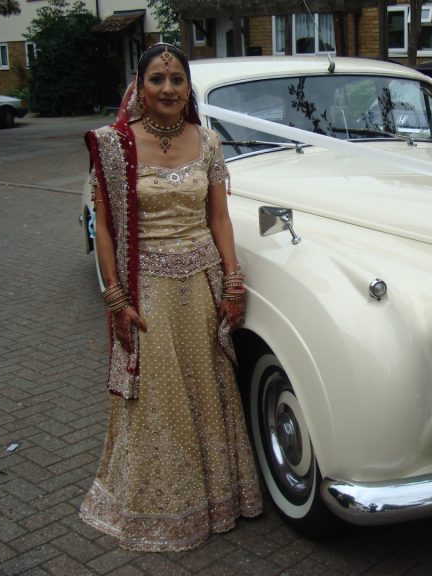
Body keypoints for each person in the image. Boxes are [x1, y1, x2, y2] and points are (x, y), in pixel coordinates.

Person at [79, 42, 262, 552]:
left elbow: (219, 218)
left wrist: (232, 281)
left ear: (188, 88)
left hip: (201, 285)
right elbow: (104, 227)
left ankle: (220, 499)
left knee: (207, 389)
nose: (168, 88)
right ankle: (163, 508)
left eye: (177, 79)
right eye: (157, 79)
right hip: (149, 290)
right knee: (160, 396)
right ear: (139, 87)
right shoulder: (115, 146)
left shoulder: (207, 142)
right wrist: (116, 298)